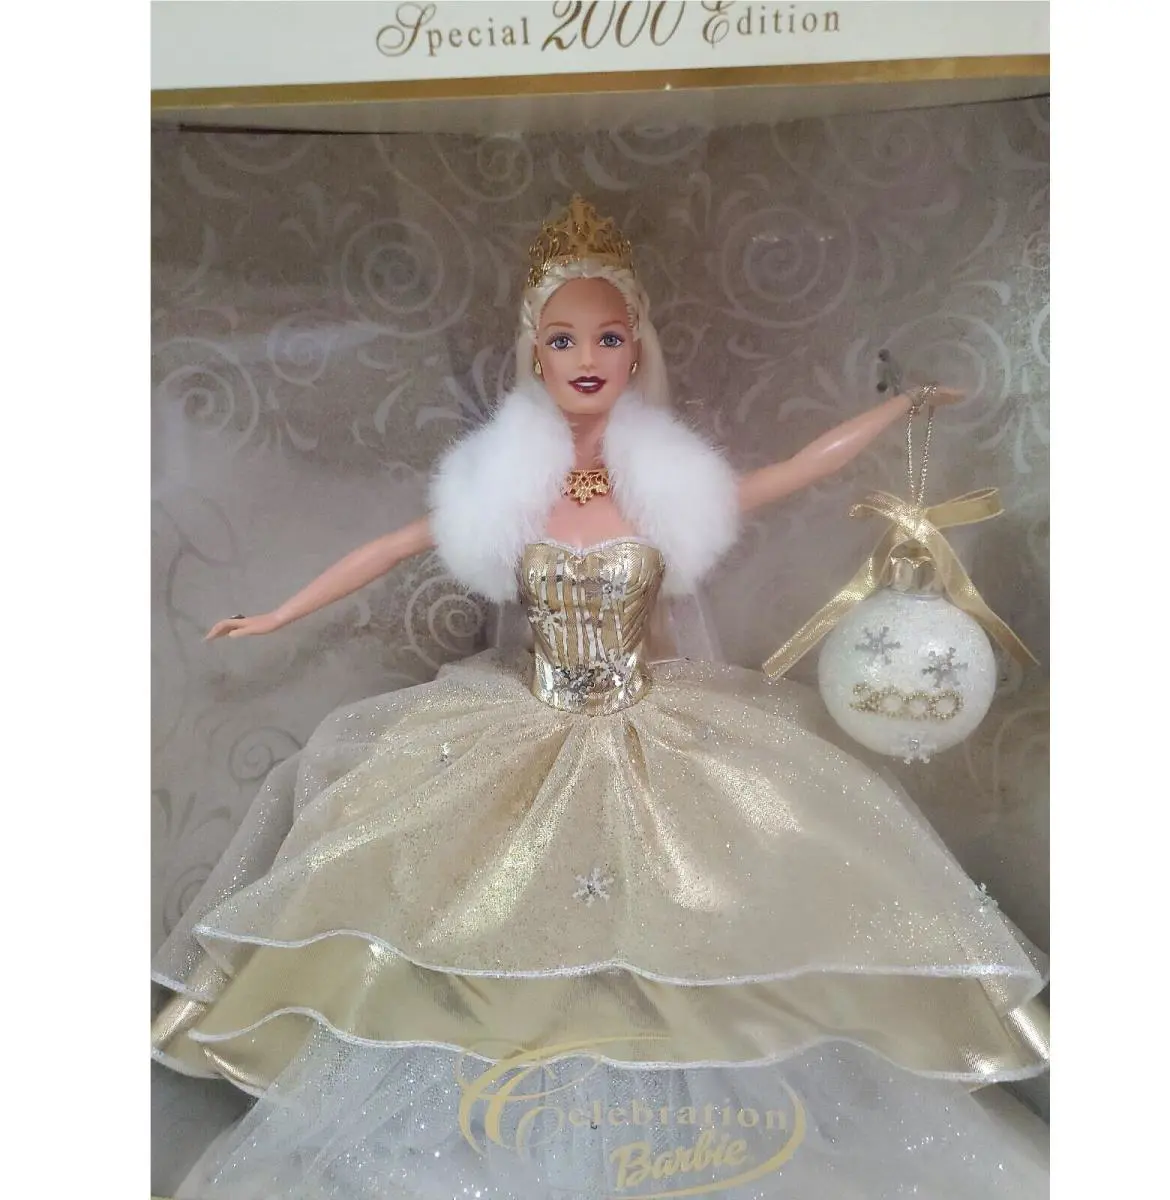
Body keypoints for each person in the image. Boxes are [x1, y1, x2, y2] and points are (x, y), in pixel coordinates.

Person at [153, 196, 1049, 1199]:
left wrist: (903, 408)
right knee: (489, 914)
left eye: (609, 337)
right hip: (522, 727)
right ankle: (523, 1112)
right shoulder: (505, 488)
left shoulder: (664, 487)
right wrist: (278, 614)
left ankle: (663, 1120)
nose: (588, 357)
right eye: (564, 338)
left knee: (690, 909)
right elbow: (395, 546)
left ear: (635, 348)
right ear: (534, 354)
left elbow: (795, 471)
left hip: (650, 723)